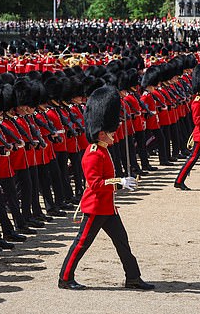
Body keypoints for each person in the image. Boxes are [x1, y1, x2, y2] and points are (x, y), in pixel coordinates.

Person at [58, 86, 153, 291]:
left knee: (122, 243)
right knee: (82, 243)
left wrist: (119, 182)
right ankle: (65, 278)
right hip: (95, 208)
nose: (113, 134)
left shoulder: (102, 149)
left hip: (108, 207)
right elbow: (95, 184)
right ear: (101, 133)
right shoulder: (92, 153)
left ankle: (133, 278)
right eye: (110, 132)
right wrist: (119, 182)